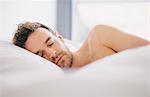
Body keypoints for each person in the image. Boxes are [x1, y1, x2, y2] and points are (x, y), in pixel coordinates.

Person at [13, 22, 150, 68]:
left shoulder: (99, 37)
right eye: (41, 55)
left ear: (59, 37)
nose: (52, 54)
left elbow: (147, 51)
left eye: (51, 43)